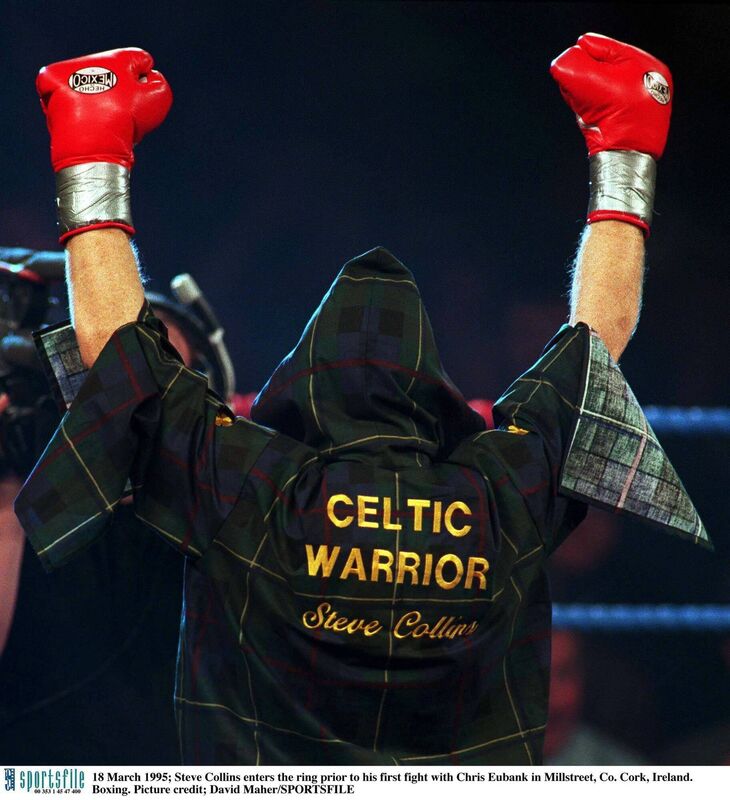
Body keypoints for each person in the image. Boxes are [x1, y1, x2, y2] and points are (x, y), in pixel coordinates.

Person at [15, 36, 709, 766]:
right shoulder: (496, 488)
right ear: (429, 387)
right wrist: (626, 155)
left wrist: (90, 154)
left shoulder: (255, 484)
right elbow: (600, 340)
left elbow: (118, 353)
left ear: (303, 381)